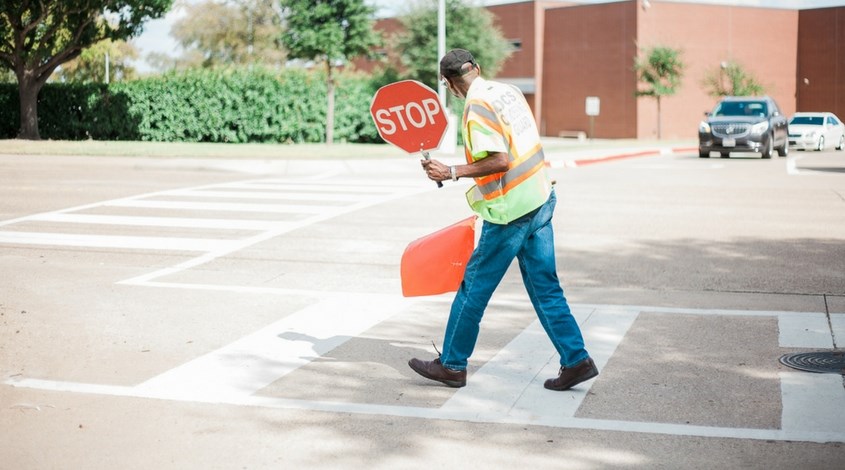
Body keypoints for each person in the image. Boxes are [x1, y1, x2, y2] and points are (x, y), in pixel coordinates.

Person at [408, 49, 598, 391]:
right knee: (546, 288)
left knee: (473, 288)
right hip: (539, 196)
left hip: (511, 212)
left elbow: (499, 160)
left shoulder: (476, 107)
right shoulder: (506, 92)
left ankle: (452, 364)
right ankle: (576, 360)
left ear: (450, 85)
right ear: (477, 68)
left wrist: (450, 171)